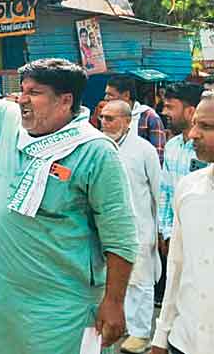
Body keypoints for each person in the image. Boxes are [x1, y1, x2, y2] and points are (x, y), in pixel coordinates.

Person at [0, 6, 137, 353]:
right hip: (1, 300)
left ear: (66, 100)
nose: (22, 100)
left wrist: (114, 301)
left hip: (60, 311)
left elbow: (120, 236)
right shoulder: (10, 123)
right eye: (22, 90)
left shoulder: (95, 151)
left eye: (34, 92)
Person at [151, 91, 214, 354]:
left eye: (206, 126)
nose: (193, 134)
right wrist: (161, 336)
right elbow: (177, 265)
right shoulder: (189, 189)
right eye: (196, 124)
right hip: (184, 341)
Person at [99, 100, 162, 354]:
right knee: (114, 279)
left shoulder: (143, 149)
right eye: (103, 117)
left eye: (111, 119)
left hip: (141, 226)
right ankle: (121, 326)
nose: (105, 123)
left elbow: (159, 191)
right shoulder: (100, 147)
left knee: (141, 281)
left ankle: (140, 334)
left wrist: (159, 230)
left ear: (127, 121)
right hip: (109, 227)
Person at [157, 84, 207, 306]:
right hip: (177, 233)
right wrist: (166, 230)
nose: (164, 112)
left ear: (190, 111)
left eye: (170, 107)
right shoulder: (172, 147)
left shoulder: (207, 149)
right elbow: (166, 192)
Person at [106, 75, 167, 163]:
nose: (106, 98)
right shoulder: (107, 117)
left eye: (110, 94)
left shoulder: (149, 117)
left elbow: (158, 157)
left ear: (126, 95)